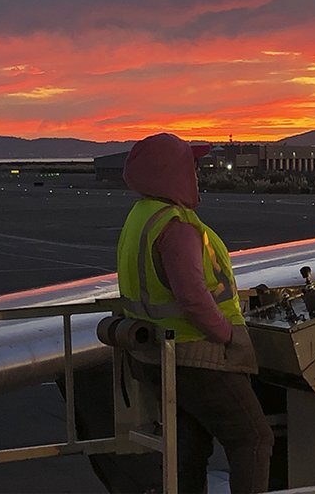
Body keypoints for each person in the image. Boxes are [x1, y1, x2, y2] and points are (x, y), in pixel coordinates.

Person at [117, 132, 273, 494]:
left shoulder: (140, 217)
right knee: (253, 438)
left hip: (157, 355)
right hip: (196, 354)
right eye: (192, 164)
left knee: (190, 446)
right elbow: (192, 297)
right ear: (171, 171)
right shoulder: (175, 226)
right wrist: (229, 335)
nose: (197, 172)